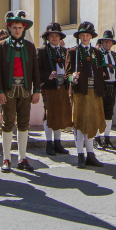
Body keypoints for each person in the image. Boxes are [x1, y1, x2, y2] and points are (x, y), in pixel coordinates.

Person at [0, 11, 41, 173]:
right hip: (8, 90)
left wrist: (37, 90)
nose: (17, 30)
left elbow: (35, 69)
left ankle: (22, 157)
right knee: (7, 123)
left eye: (20, 28)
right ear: (9, 28)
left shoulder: (29, 46)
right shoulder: (1, 46)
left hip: (26, 90)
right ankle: (6, 158)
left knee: (23, 123)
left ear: (24, 28)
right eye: (14, 28)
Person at [67, 22, 107, 169]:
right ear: (79, 37)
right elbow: (67, 74)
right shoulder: (72, 52)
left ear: (91, 37)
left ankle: (91, 154)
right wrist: (73, 77)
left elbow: (103, 70)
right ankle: (80, 156)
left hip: (94, 91)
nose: (85, 37)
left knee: (92, 122)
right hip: (80, 92)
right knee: (79, 123)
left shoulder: (97, 52)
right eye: (82, 35)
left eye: (87, 35)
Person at [37, 23, 72, 156]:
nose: (54, 38)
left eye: (56, 36)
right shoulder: (41, 51)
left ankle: (58, 143)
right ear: (48, 37)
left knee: (60, 113)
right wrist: (47, 75)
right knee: (49, 114)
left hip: (62, 86)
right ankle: (48, 143)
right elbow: (37, 71)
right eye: (52, 36)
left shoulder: (64, 51)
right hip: (49, 87)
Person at [96, 30, 116, 149]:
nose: (108, 44)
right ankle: (97, 138)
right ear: (101, 43)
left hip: (112, 86)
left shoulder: (114, 55)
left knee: (109, 113)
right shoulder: (97, 54)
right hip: (102, 86)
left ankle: (106, 138)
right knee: (99, 112)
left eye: (109, 42)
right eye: (105, 42)